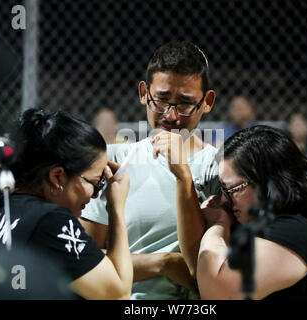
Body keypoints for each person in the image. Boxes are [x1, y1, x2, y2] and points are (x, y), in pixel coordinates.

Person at [80, 41, 220, 300]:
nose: (171, 115)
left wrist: (183, 175)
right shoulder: (114, 161)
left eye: (186, 103)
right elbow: (84, 260)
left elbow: (212, 270)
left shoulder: (220, 168)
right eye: (162, 100)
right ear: (144, 93)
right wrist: (163, 263)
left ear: (207, 101)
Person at [0, 108, 132, 299]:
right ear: (57, 176)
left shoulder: (0, 209)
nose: (95, 195)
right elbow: (119, 294)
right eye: (94, 182)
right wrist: (116, 207)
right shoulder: (49, 220)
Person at [163, 125, 307, 299]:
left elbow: (216, 292)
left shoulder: (297, 228)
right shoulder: (264, 221)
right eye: (223, 190)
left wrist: (218, 224)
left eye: (234, 189)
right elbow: (197, 267)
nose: (225, 200)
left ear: (269, 182)